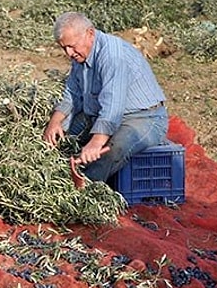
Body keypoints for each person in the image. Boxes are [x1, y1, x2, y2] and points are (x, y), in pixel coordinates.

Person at [42, 12, 168, 182]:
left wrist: (96, 142)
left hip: (143, 118)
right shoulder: (80, 56)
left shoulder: (112, 56)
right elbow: (72, 93)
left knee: (112, 150)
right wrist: (55, 122)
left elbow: (113, 107)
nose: (69, 53)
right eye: (64, 48)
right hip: (99, 114)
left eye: (71, 46)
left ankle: (83, 190)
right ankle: (54, 174)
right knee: (61, 139)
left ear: (90, 33)